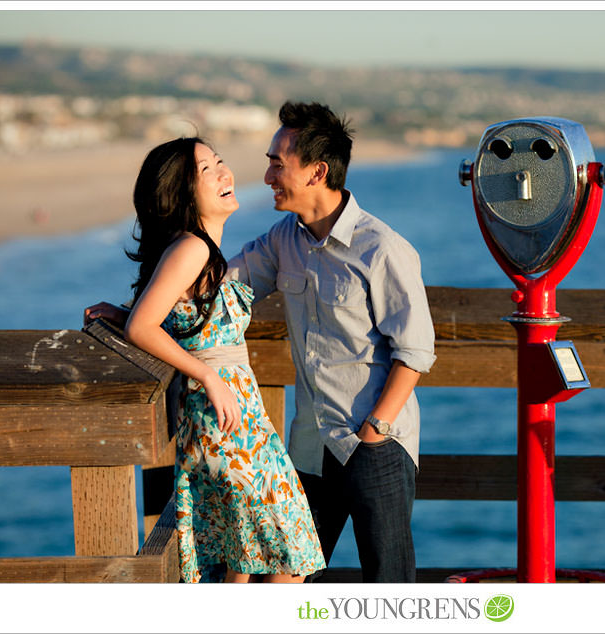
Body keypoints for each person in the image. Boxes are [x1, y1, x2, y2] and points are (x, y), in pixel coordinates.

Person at [88, 137, 326, 583]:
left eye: (220, 162)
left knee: (248, 561)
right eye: (206, 170)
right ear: (181, 193)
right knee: (284, 554)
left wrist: (124, 316)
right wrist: (207, 376)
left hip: (238, 425)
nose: (224, 174)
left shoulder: (199, 250)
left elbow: (165, 321)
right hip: (226, 427)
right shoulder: (192, 249)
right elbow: (145, 327)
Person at [226, 101, 436, 582]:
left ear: (318, 171)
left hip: (374, 445)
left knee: (389, 585)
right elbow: (223, 285)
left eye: (278, 164)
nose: (267, 176)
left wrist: (376, 429)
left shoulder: (383, 248)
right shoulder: (285, 239)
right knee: (283, 575)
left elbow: (415, 351)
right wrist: (139, 311)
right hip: (311, 446)